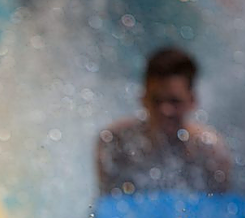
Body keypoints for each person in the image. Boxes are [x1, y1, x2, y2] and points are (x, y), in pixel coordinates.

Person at [96, 47, 231, 197]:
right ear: (143, 98)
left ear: (192, 100)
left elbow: (220, 207)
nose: (165, 110)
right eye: (157, 100)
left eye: (174, 101)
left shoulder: (209, 150)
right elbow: (105, 205)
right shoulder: (116, 143)